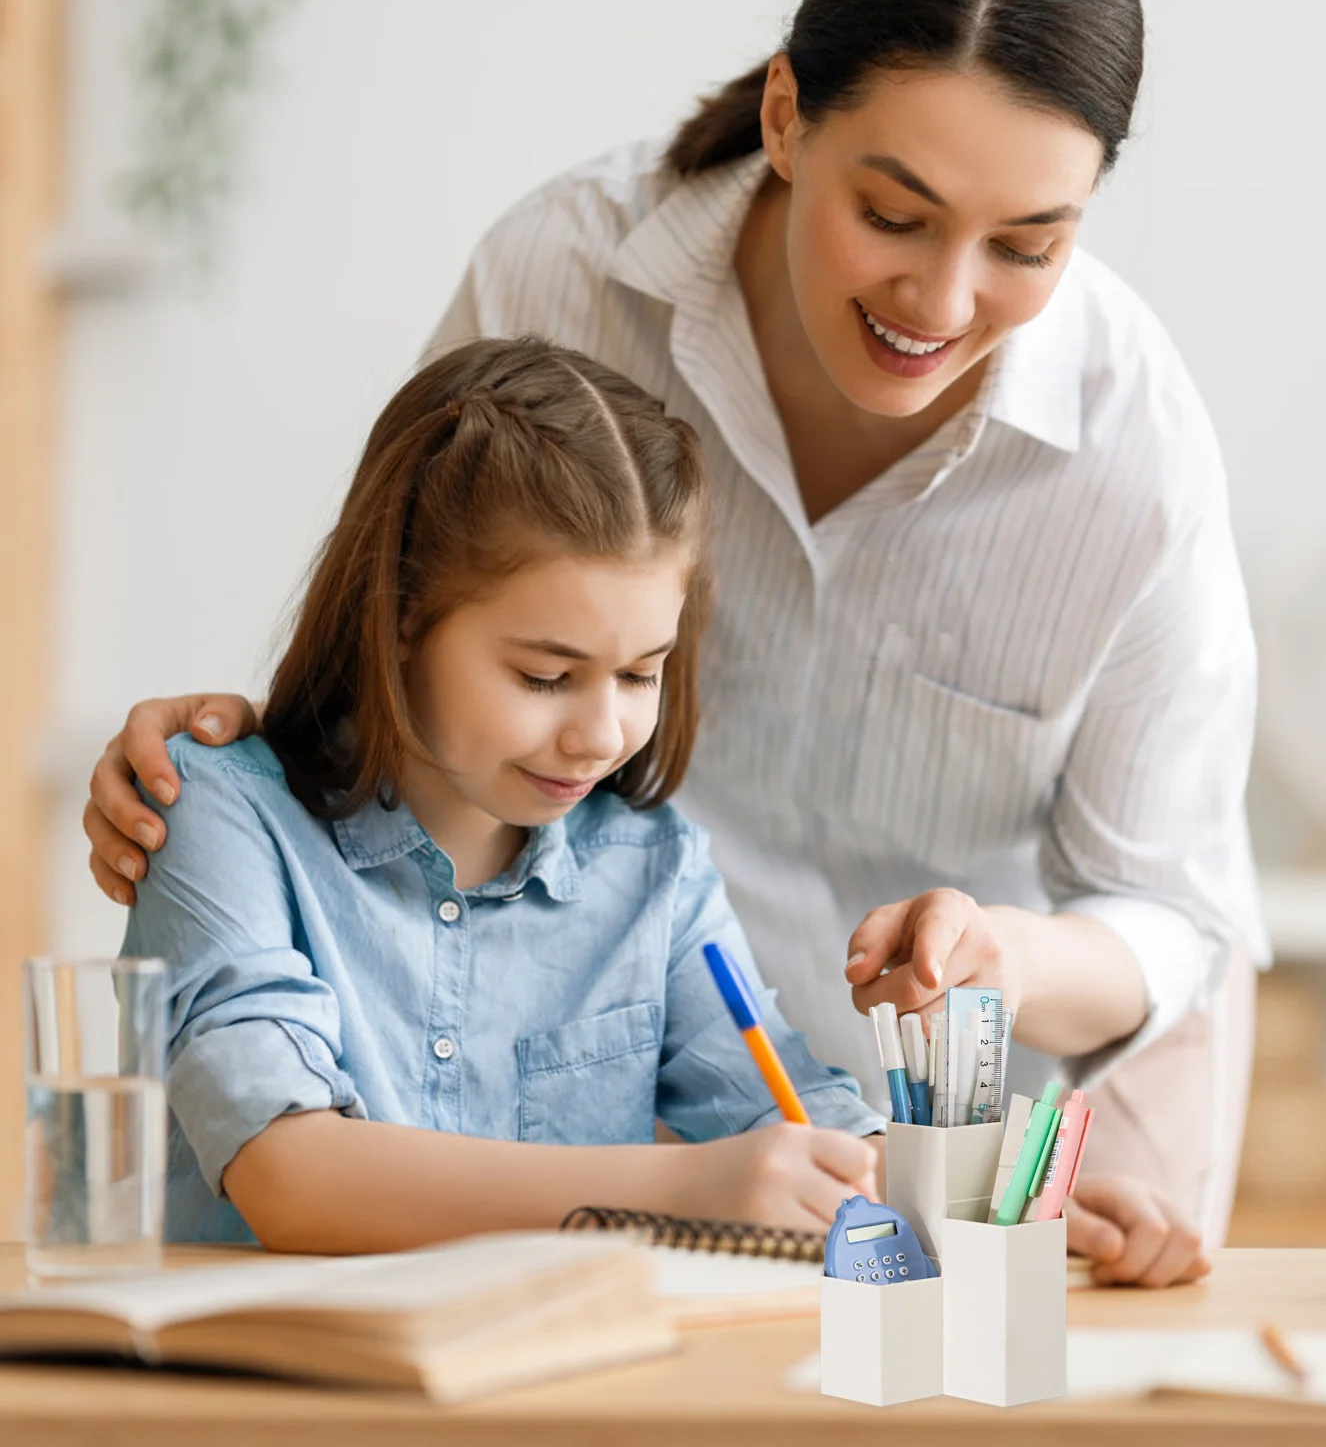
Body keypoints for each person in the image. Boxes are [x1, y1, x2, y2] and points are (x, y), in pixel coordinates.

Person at [86, 0, 1262, 1285]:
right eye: (893, 217)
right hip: (680, 1171)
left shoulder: (1127, 445)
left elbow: (1175, 917)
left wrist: (994, 1104)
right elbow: (413, 561)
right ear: (785, 119)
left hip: (917, 1115)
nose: (945, 303)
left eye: (1026, 247)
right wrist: (237, 742)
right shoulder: (564, 274)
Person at [122, 337, 884, 1252]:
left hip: (550, 1387)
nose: (601, 734)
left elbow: (800, 1122)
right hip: (260, 1390)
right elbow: (288, 1176)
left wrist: (993, 1199)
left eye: (642, 674)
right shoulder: (220, 814)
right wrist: (685, 1183)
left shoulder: (656, 871)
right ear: (402, 620)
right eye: (545, 676)